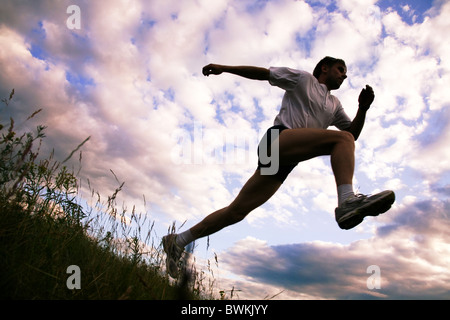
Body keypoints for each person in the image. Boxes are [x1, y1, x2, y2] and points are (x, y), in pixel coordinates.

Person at [163, 56, 395, 278]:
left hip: (284, 161)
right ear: (324, 68)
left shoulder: (334, 104)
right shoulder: (303, 79)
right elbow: (264, 74)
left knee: (236, 212)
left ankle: (178, 240)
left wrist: (362, 109)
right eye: (340, 70)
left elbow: (352, 135)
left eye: (345, 73)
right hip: (276, 141)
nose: (344, 76)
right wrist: (224, 68)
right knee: (341, 139)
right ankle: (346, 201)